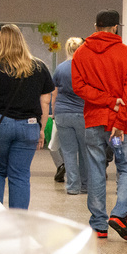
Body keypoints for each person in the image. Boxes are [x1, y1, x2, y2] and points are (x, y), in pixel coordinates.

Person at [72, 10, 127, 241]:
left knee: (96, 170)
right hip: (121, 124)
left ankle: (99, 225)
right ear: (116, 27)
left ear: (95, 25)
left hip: (93, 121)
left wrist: (105, 101)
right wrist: (118, 114)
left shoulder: (81, 53)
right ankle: (120, 214)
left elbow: (79, 87)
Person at [0, 23, 56, 209]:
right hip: (29, 126)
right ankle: (18, 224)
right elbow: (45, 103)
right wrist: (41, 129)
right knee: (20, 174)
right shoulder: (39, 67)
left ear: (0, 42)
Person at [51, 37, 88, 195]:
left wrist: (54, 113)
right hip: (83, 113)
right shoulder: (87, 68)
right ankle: (85, 185)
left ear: (67, 49)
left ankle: (72, 186)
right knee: (85, 151)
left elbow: (54, 93)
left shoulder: (60, 68)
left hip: (62, 113)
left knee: (68, 151)